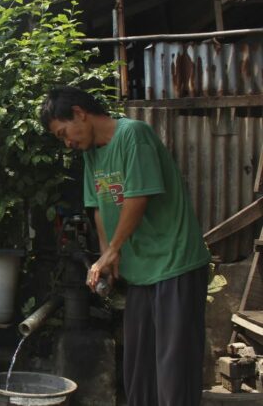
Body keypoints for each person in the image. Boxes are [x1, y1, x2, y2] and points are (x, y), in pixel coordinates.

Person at [39, 86, 211, 406]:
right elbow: (98, 206)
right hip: (142, 271)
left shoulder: (134, 135)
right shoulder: (92, 154)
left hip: (175, 263)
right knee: (139, 371)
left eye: (65, 133)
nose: (68, 142)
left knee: (174, 370)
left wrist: (113, 249)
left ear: (79, 113)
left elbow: (138, 198)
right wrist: (108, 253)